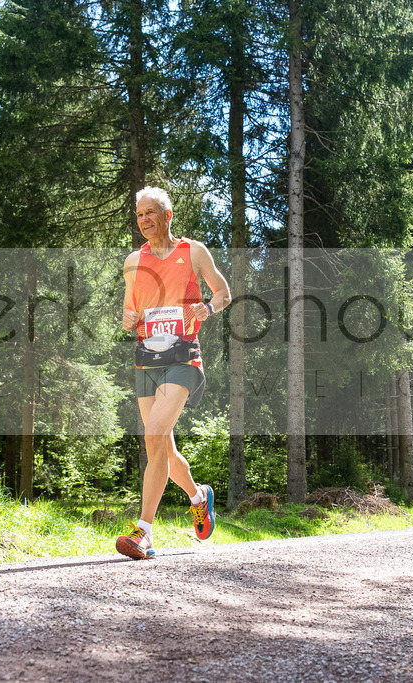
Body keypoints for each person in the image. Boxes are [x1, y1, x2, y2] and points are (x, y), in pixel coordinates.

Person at [116, 186, 231, 560]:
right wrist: (129, 319)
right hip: (146, 360)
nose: (144, 219)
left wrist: (207, 309)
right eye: (139, 214)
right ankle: (199, 497)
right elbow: (129, 311)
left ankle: (144, 532)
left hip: (183, 358)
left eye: (150, 212)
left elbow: (223, 293)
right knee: (162, 446)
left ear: (167, 215)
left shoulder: (193, 252)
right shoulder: (134, 261)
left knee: (153, 436)